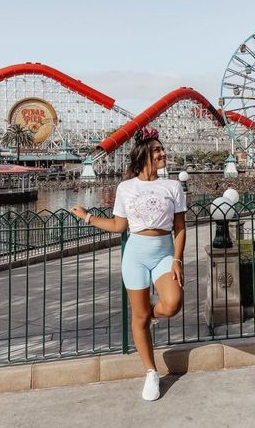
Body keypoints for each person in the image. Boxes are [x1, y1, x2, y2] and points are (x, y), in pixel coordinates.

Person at [71, 126, 186, 401]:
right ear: (144, 154)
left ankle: (144, 318)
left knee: (172, 304)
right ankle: (150, 373)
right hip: (135, 254)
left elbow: (180, 227)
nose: (163, 153)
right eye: (158, 149)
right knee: (139, 317)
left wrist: (177, 259)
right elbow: (119, 225)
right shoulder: (126, 187)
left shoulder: (173, 186)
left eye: (162, 149)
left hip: (164, 254)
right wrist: (87, 217)